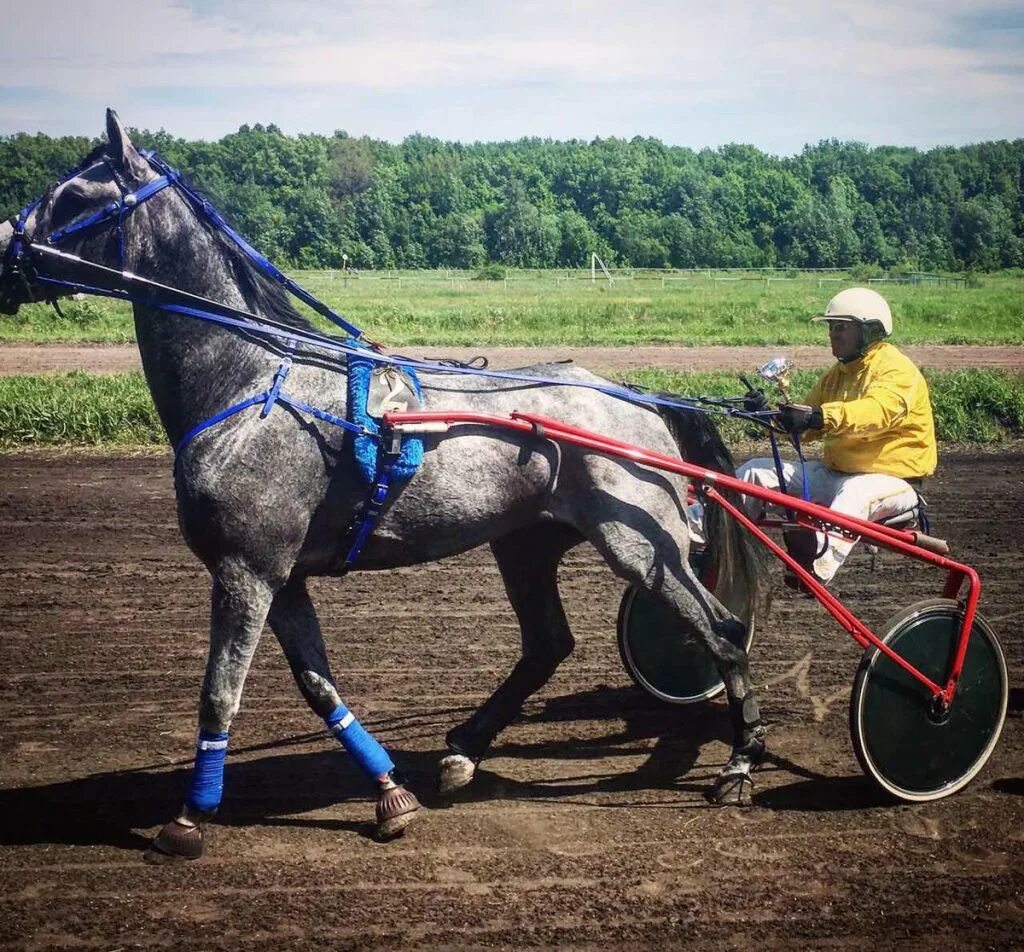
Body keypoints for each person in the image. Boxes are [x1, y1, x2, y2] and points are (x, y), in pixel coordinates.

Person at [736, 287, 937, 585]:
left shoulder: (898, 371)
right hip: (836, 473)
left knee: (854, 494)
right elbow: (803, 426)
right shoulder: (837, 375)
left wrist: (820, 416)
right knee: (754, 471)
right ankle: (702, 536)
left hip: (894, 481)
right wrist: (766, 414)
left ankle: (815, 569)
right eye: (831, 327)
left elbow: (875, 413)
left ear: (869, 330)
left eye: (841, 327)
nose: (833, 334)